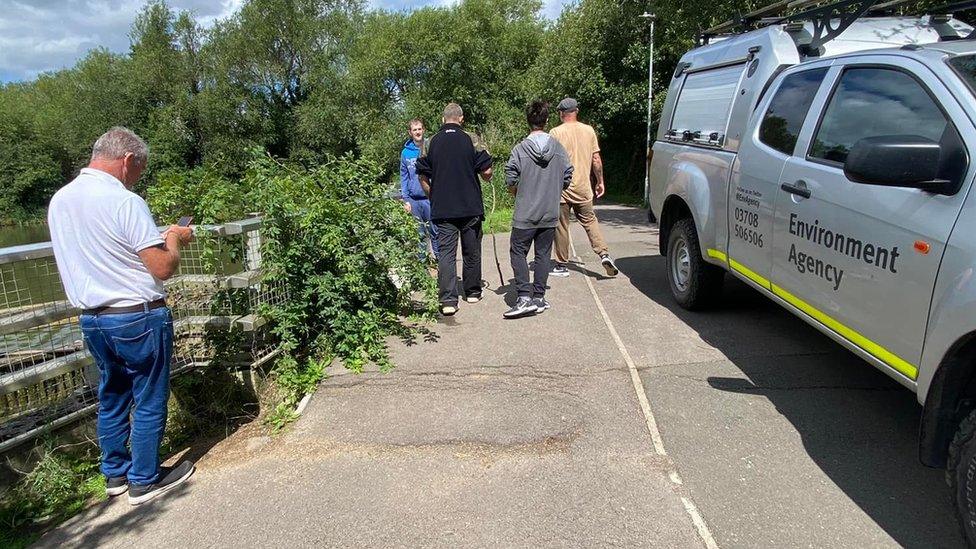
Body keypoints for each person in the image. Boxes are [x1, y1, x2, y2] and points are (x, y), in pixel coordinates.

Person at [47, 127, 195, 506]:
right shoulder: (124, 201)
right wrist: (175, 237)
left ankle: (114, 474)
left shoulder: (61, 200)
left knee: (112, 393)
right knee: (148, 395)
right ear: (128, 160)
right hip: (136, 317)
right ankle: (144, 480)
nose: (137, 178)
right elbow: (162, 267)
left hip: (93, 319)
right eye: (139, 170)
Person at [416, 103, 493, 316]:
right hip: (470, 206)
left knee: (447, 254)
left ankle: (448, 300)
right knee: (471, 251)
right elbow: (487, 171)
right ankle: (473, 292)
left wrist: (433, 195)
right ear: (461, 119)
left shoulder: (430, 142)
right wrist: (486, 176)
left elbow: (422, 175)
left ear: (443, 120)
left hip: (443, 208)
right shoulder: (472, 139)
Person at [503, 100, 573, 319]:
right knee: (543, 255)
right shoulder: (559, 149)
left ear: (528, 121)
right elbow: (568, 176)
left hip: (525, 212)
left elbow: (510, 177)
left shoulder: (519, 149)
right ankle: (539, 297)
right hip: (550, 212)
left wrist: (518, 191)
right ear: (546, 120)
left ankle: (524, 296)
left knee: (517, 251)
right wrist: (553, 189)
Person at [549, 97, 619, 278]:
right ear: (576, 111)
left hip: (562, 188)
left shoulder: (555, 132)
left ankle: (561, 264)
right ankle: (604, 253)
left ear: (561, 113)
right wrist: (600, 181)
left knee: (561, 225)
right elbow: (596, 159)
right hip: (584, 187)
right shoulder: (589, 131)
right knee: (589, 221)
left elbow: (550, 160)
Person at [400, 118, 439, 260]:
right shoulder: (405, 153)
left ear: (424, 130)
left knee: (436, 232)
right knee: (419, 235)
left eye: (419, 129)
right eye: (414, 130)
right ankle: (423, 270)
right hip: (414, 200)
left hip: (430, 198)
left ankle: (442, 266)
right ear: (410, 132)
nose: (418, 132)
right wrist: (406, 199)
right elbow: (404, 176)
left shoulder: (431, 147)